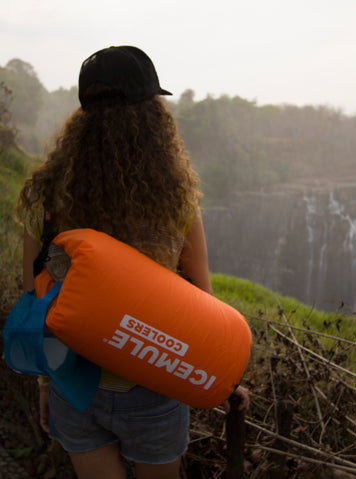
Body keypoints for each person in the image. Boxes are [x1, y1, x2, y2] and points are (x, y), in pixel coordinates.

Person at [16, 45, 249, 479]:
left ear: (81, 118)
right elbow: (202, 305)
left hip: (74, 383)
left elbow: (36, 299)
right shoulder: (176, 202)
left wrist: (45, 383)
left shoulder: (45, 200)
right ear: (153, 116)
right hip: (154, 381)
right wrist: (225, 379)